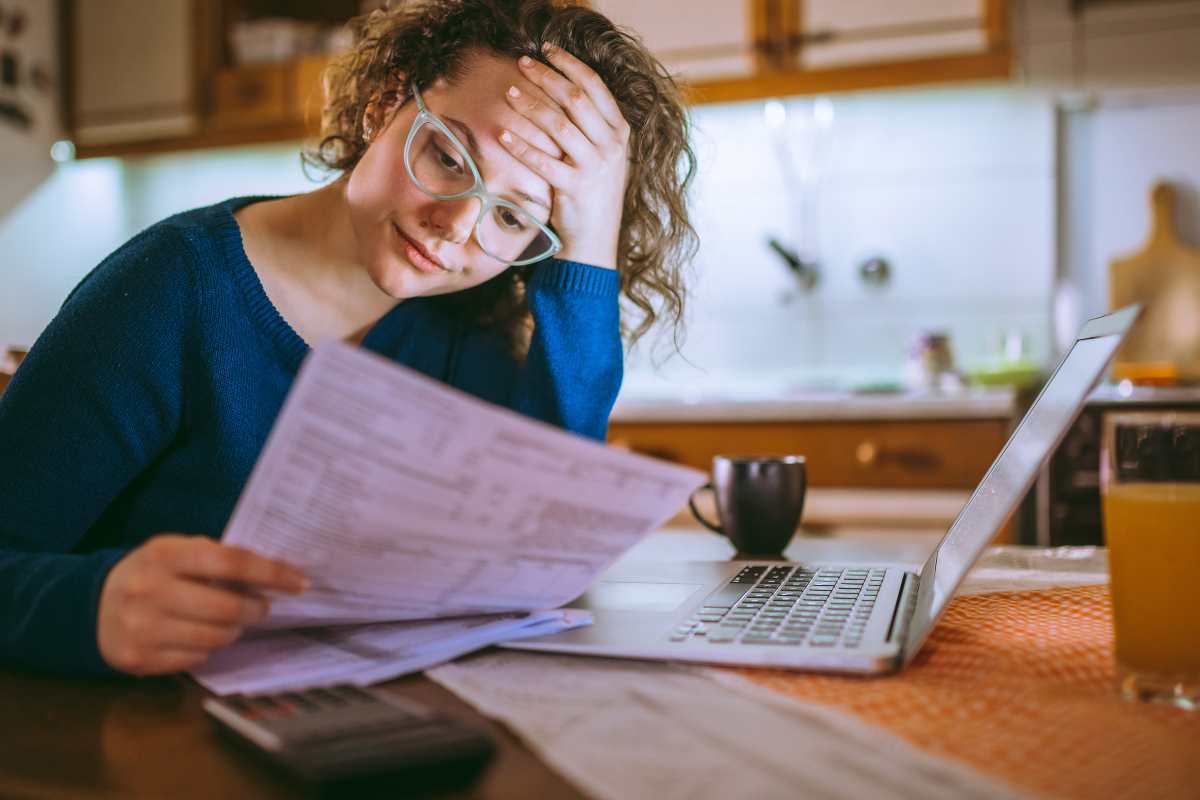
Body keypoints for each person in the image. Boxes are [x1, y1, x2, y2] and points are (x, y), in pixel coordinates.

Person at [0, 0, 696, 677]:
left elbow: (543, 558)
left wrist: (590, 244)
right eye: (449, 157)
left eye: (512, 218)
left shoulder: (468, 332)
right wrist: (90, 605)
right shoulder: (170, 288)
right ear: (385, 104)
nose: (455, 226)